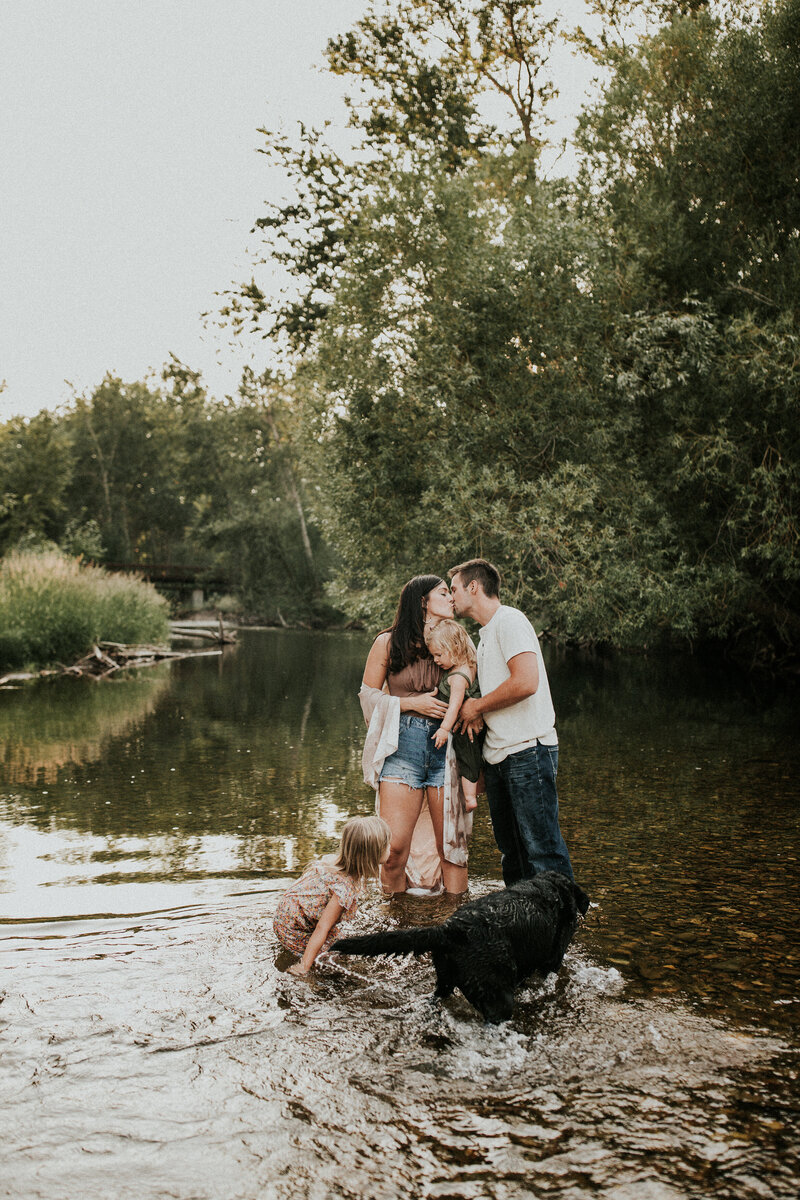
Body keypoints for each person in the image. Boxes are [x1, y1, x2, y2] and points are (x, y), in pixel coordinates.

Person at [448, 558, 574, 883]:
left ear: (473, 587)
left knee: (542, 849)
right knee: (513, 855)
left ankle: (564, 926)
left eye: (454, 590)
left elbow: (526, 682)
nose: (451, 598)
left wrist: (476, 707)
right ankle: (523, 925)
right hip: (500, 757)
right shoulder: (485, 635)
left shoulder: (510, 621)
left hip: (528, 752)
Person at [360, 575, 471, 896]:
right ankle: (395, 923)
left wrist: (472, 709)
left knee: (452, 851)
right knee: (392, 852)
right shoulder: (387, 642)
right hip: (401, 754)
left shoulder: (459, 639)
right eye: (443, 592)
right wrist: (412, 704)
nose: (452, 598)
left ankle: (456, 924)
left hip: (447, 754)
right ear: (423, 601)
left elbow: (474, 684)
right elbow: (367, 698)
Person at [273, 814, 391, 975]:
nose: (390, 847)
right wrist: (304, 966)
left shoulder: (332, 863)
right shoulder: (344, 888)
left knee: (341, 939)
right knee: (337, 953)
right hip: (291, 929)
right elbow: (322, 928)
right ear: (373, 854)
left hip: (284, 918)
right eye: (387, 844)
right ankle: (310, 972)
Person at [424, 618, 483, 813]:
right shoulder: (466, 665)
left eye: (439, 655)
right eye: (433, 656)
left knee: (468, 761)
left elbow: (455, 706)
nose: (436, 660)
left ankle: (470, 798)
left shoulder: (458, 677)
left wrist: (443, 729)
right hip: (461, 728)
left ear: (455, 647)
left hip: (462, 729)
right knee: (468, 759)